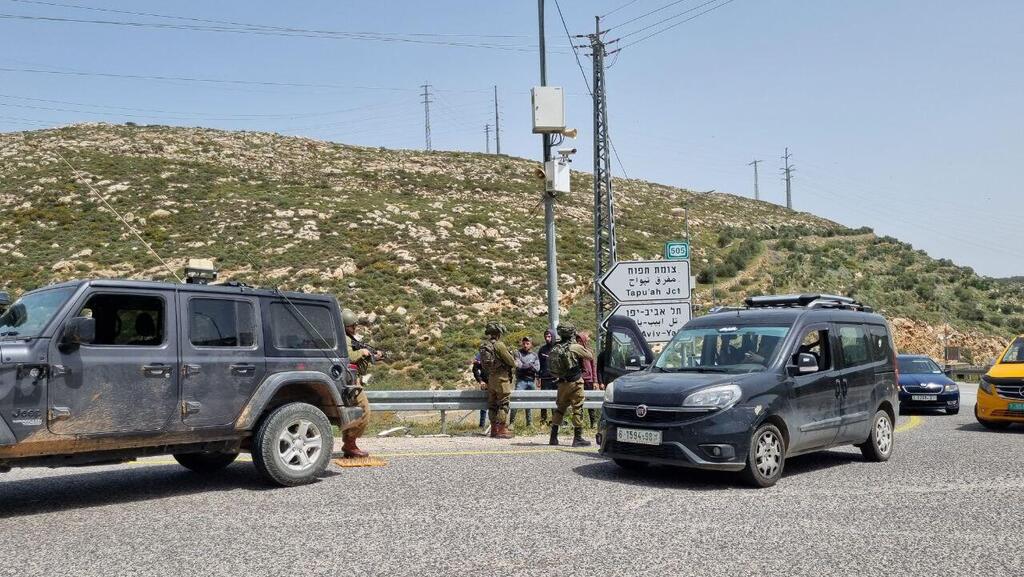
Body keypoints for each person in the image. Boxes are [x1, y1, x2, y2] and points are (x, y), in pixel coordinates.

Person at [341, 308, 384, 458]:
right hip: (352, 381)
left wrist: (373, 355)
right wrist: (362, 353)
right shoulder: (345, 339)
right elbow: (349, 356)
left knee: (353, 414)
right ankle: (350, 444)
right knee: (364, 411)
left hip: (351, 380)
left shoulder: (348, 338)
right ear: (346, 326)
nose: (355, 328)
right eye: (353, 326)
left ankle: (349, 444)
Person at [547, 323, 593, 447]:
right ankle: (577, 438)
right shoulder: (575, 347)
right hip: (575, 382)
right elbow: (590, 356)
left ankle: (553, 437)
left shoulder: (556, 347)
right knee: (577, 408)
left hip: (561, 383)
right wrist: (584, 345)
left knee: (560, 409)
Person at [479, 321, 516, 439]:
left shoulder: (485, 345)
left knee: (492, 405)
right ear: (498, 333)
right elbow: (510, 362)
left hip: (491, 378)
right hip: (501, 379)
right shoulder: (499, 345)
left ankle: (494, 430)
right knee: (503, 404)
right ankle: (501, 430)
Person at [509, 336, 539, 427]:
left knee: (529, 403)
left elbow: (537, 368)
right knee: (516, 401)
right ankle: (512, 423)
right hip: (521, 381)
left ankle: (529, 424)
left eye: (527, 343)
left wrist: (526, 366)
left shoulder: (534, 355)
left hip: (531, 381)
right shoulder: (518, 353)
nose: (525, 345)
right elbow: (519, 366)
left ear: (531, 344)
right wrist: (530, 366)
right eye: (524, 343)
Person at [576, 331, 602, 428]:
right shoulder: (575, 352)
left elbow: (593, 366)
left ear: (584, 341)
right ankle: (580, 423)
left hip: (589, 380)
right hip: (579, 380)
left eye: (580, 340)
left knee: (590, 402)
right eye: (577, 341)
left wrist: (595, 381)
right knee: (579, 402)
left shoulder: (589, 351)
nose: (579, 343)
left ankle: (593, 422)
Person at [536, 329, 556, 423]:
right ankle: (543, 421)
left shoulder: (557, 348)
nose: (547, 338)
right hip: (545, 378)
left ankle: (555, 420)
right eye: (546, 337)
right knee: (544, 400)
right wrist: (538, 378)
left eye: (549, 336)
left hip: (556, 379)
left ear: (553, 336)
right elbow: (538, 364)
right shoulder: (542, 349)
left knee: (556, 400)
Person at [472, 352, 488, 429]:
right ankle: (482, 425)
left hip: (495, 383)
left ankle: (496, 426)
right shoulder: (481, 354)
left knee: (496, 404)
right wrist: (480, 381)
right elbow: (475, 369)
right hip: (485, 383)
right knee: (484, 405)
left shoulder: (497, 352)